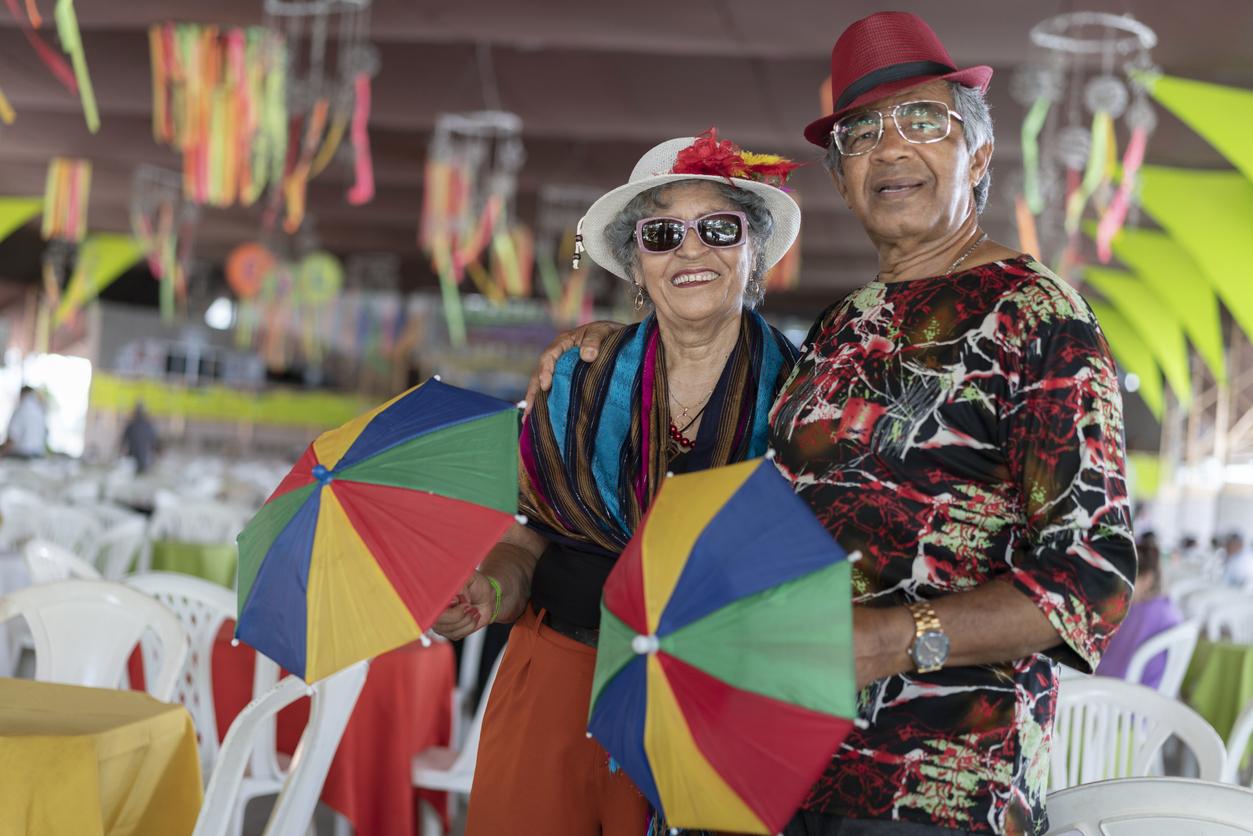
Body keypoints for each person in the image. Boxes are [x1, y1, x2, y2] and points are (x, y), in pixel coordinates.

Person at [528, 13, 1137, 835]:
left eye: (924, 121)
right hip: (769, 757)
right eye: (860, 134)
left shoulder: (1038, 317)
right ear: (842, 178)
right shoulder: (841, 326)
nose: (890, 148)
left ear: (979, 155)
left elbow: (1092, 581)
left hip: (926, 783)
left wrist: (893, 639)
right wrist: (614, 341)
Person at [434, 131, 803, 836]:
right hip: (556, 686)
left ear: (751, 252)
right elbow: (524, 541)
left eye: (717, 228)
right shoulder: (575, 376)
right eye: (662, 233)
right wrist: (488, 590)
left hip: (716, 695)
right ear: (638, 262)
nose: (690, 250)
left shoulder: (802, 397)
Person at [1096, 536, 1184, 689]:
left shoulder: (1139, 615)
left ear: (1147, 579)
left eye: (1124, 578)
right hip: (1155, 696)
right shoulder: (1165, 608)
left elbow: (1112, 670)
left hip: (1121, 700)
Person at [3, 386, 47, 458]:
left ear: (22, 394)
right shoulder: (39, 411)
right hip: (38, 456)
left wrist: (2, 453)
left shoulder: (21, 409)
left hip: (21, 456)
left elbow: (12, 437)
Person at [120, 402, 160, 474]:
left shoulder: (131, 425)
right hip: (143, 457)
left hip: (135, 457)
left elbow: (123, 441)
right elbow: (154, 442)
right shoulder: (147, 426)